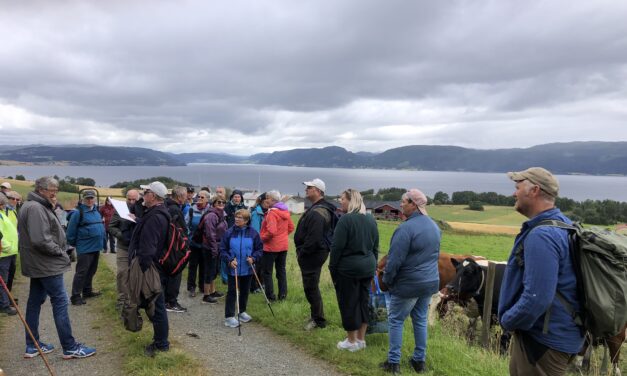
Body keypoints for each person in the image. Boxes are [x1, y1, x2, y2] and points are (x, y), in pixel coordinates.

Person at [498, 167, 584, 376]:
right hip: (561, 334)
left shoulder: (542, 235)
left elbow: (536, 298)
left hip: (541, 341)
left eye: (518, 187)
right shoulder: (565, 225)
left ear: (534, 190)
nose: (514, 193)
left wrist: (508, 320)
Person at [18, 176, 96, 359]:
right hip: (46, 264)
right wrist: (61, 253)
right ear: (41, 190)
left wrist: (52, 208)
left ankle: (32, 345)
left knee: (34, 302)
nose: (55, 193)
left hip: (39, 264)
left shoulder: (34, 206)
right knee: (60, 302)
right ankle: (69, 347)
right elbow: (40, 240)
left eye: (56, 190)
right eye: (52, 190)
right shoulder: (36, 208)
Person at [380, 189, 440, 374]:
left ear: (414, 204)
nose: (400, 204)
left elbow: (394, 261)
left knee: (396, 320)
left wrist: (387, 281)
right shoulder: (434, 227)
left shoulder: (405, 229)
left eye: (403, 201)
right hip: (429, 282)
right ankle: (419, 361)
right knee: (420, 320)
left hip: (408, 284)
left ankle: (393, 363)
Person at [329, 189, 379, 352]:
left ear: (351, 200)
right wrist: (373, 265)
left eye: (342, 199)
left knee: (348, 303)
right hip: (368, 267)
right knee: (363, 302)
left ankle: (351, 341)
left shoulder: (346, 220)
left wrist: (333, 267)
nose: (340, 201)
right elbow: (375, 247)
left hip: (349, 269)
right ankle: (361, 339)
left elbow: (336, 248)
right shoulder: (371, 220)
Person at [127, 181, 171, 357]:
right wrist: (138, 220)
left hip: (151, 267)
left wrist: (143, 268)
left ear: (153, 196)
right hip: (154, 265)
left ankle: (161, 344)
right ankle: (160, 340)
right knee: (153, 302)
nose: (143, 195)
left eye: (145, 192)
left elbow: (148, 248)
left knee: (156, 304)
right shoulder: (156, 213)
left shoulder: (155, 216)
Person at [293, 178, 336, 330]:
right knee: (311, 286)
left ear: (317, 191)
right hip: (315, 253)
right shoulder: (320, 208)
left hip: (313, 254)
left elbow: (315, 238)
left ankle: (319, 320)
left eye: (309, 187)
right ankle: (316, 316)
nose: (306, 189)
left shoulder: (319, 212)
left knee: (311, 287)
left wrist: (302, 253)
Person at [219, 209, 263, 327]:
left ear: (247, 220)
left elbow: (259, 249)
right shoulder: (229, 233)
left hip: (248, 268)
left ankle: (241, 312)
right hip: (233, 268)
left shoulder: (253, 233)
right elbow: (222, 249)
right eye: (236, 217)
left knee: (244, 291)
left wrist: (253, 258)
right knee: (232, 292)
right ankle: (229, 317)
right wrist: (229, 260)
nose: (237, 219)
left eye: (241, 218)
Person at [67, 190, 106, 306]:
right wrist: (76, 244)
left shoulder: (96, 211)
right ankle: (75, 296)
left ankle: (87, 291)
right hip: (85, 248)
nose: (89, 200)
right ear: (83, 199)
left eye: (91, 198)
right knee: (81, 272)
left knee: (92, 270)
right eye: (87, 198)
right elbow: (70, 232)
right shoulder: (78, 213)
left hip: (96, 247)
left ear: (94, 199)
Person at [259, 190, 294, 301]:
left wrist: (261, 238)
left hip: (270, 247)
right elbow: (291, 227)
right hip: (283, 246)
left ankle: (270, 297)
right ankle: (282, 296)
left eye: (268, 198)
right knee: (281, 271)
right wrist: (282, 236)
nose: (266, 200)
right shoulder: (285, 212)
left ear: (273, 200)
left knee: (267, 272)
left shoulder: (272, 213)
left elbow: (271, 231)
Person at [108, 189, 139, 310]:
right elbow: (111, 227)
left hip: (137, 249)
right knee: (122, 273)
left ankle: (135, 300)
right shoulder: (120, 210)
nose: (131, 202)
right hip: (123, 248)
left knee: (136, 275)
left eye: (134, 199)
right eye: (129, 199)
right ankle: (122, 300)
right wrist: (121, 235)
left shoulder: (142, 210)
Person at [163, 186, 188, 313]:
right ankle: (171, 301)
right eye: (185, 196)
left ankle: (165, 300)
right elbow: (180, 229)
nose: (186, 198)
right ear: (179, 197)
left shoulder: (165, 205)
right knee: (175, 272)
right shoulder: (175, 209)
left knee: (166, 273)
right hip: (174, 247)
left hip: (166, 247)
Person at [201, 195, 228, 303]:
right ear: (214, 204)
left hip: (217, 246)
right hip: (210, 247)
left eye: (223, 202)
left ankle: (213, 291)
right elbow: (210, 234)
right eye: (218, 202)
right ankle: (206, 295)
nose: (221, 204)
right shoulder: (211, 215)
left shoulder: (221, 215)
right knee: (209, 270)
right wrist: (214, 248)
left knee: (214, 270)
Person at [186, 189, 210, 297]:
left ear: (207, 199)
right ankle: (191, 287)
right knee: (193, 266)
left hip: (206, 243)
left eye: (202, 197)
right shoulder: (191, 210)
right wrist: (189, 237)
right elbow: (186, 224)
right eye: (198, 197)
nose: (199, 199)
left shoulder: (211, 211)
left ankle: (201, 286)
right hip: (194, 243)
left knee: (204, 266)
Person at [0, 194, 18, 315]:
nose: (4, 205)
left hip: (10, 252)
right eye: (2, 203)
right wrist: (9, 247)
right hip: (4, 253)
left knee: (6, 279)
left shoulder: (2, 214)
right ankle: (4, 305)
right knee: (2, 281)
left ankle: (6, 300)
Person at [249, 192, 268, 293]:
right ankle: (254, 287)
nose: (268, 202)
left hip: (264, 243)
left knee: (261, 266)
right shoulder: (256, 213)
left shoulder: (267, 212)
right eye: (266, 200)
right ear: (261, 201)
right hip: (257, 243)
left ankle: (260, 285)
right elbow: (255, 231)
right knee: (255, 266)